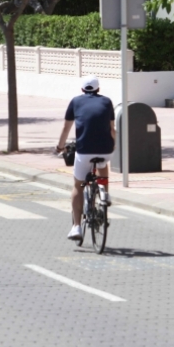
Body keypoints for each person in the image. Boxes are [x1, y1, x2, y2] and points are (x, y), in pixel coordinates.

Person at [56, 76, 116, 242]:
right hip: (105, 150)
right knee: (103, 165)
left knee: (79, 185)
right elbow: (112, 129)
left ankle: (76, 226)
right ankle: (104, 192)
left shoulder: (75, 102)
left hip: (84, 152)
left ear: (82, 89)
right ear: (98, 89)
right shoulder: (107, 102)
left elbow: (66, 128)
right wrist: (114, 146)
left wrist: (60, 147)